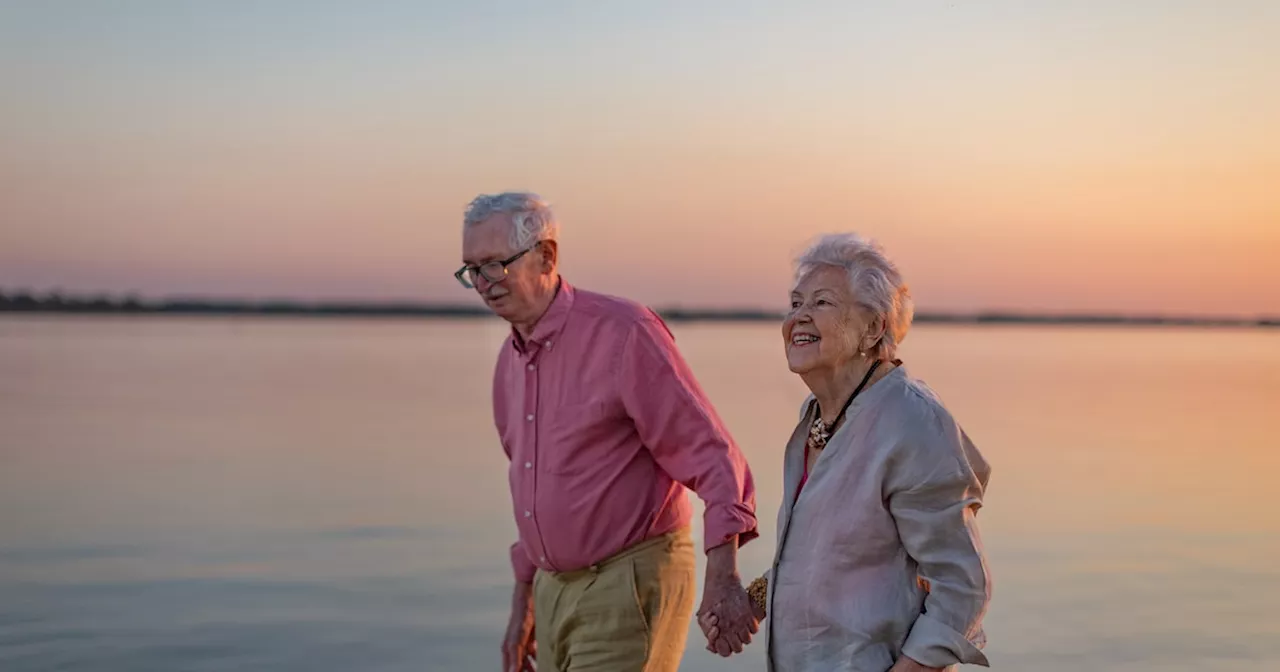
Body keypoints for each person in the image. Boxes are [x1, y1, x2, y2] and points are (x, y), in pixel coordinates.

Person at [457, 192, 760, 672]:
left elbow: (715, 457)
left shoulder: (624, 332)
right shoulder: (508, 362)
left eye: (494, 265)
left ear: (547, 257)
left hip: (629, 581)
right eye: (471, 270)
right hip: (553, 589)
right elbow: (530, 487)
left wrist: (723, 575)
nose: (482, 284)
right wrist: (524, 605)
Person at [700, 233, 993, 671]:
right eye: (795, 303)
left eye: (821, 303)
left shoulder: (911, 423)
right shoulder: (817, 417)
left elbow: (962, 586)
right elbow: (824, 557)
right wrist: (752, 603)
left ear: (873, 328)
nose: (798, 317)